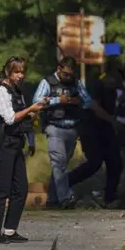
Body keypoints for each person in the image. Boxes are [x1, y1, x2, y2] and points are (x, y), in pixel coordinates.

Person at [0, 56, 47, 243]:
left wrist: (34, 113)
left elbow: (24, 120)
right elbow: (10, 118)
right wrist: (30, 109)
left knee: (20, 188)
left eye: (22, 72)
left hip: (15, 143)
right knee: (2, 189)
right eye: (16, 72)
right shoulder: (0, 91)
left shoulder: (17, 91)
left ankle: (10, 229)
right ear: (8, 72)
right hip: (3, 144)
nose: (20, 75)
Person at [33, 57, 94, 209]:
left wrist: (76, 101)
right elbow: (37, 102)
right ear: (59, 69)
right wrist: (58, 100)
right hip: (54, 128)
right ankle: (65, 198)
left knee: (60, 166)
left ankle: (52, 200)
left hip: (72, 129)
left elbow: (88, 101)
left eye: (71, 75)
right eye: (66, 74)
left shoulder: (76, 83)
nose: (68, 77)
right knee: (58, 163)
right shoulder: (47, 82)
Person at [67, 63, 125, 208]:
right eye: (117, 79)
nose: (118, 82)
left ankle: (110, 196)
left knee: (115, 162)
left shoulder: (113, 91)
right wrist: (113, 121)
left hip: (105, 130)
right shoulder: (97, 86)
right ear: (111, 76)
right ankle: (65, 183)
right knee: (94, 163)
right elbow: (96, 108)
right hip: (91, 129)